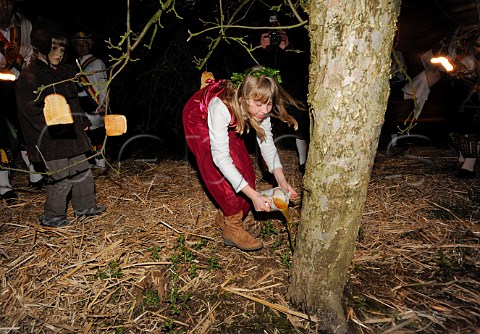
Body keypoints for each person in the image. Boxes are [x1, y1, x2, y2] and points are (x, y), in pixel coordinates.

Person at [183, 66, 299, 251]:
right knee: (220, 176)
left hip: (230, 119)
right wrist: (254, 197)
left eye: (268, 104)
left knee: (245, 174)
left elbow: (266, 142)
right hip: (199, 117)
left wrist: (281, 180)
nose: (264, 110)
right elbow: (220, 158)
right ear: (244, 98)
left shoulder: (258, 106)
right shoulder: (220, 106)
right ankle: (232, 227)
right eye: (259, 104)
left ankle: (225, 216)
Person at [16, 18, 106, 227]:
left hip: (72, 134)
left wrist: (82, 121)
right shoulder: (31, 76)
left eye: (62, 49)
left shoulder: (65, 73)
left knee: (82, 171)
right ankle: (53, 215)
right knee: (60, 177)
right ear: (41, 48)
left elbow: (75, 101)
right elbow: (31, 110)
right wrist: (52, 126)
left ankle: (85, 206)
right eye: (53, 48)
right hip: (51, 137)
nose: (58, 53)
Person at [0, 0, 45, 203]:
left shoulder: (24, 24)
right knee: (1, 136)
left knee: (27, 126)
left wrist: (28, 73)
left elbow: (31, 54)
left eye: (8, 2)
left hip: (18, 84)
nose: (3, 6)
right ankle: (3, 187)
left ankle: (36, 175)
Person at [254, 15, 310, 174]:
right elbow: (257, 74)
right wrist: (262, 50)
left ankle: (303, 164)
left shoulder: (296, 50)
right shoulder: (260, 51)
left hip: (293, 96)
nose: (275, 36)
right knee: (262, 126)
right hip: (269, 96)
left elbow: (300, 70)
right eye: (272, 32)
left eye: (278, 31)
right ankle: (266, 169)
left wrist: (287, 50)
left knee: (301, 125)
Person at [71, 31, 107, 168]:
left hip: (94, 103)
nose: (81, 47)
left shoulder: (97, 63)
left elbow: (103, 84)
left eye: (84, 44)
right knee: (84, 134)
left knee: (97, 134)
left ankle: (100, 162)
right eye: (78, 45)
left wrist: (103, 104)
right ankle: (89, 162)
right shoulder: (74, 65)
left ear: (89, 46)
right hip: (80, 104)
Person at [446, 34, 480, 179]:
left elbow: (468, 65)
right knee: (457, 130)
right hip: (464, 96)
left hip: (473, 99)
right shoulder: (469, 56)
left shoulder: (473, 58)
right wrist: (456, 67)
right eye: (477, 44)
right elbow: (464, 65)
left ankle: (469, 166)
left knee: (470, 131)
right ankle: (461, 160)